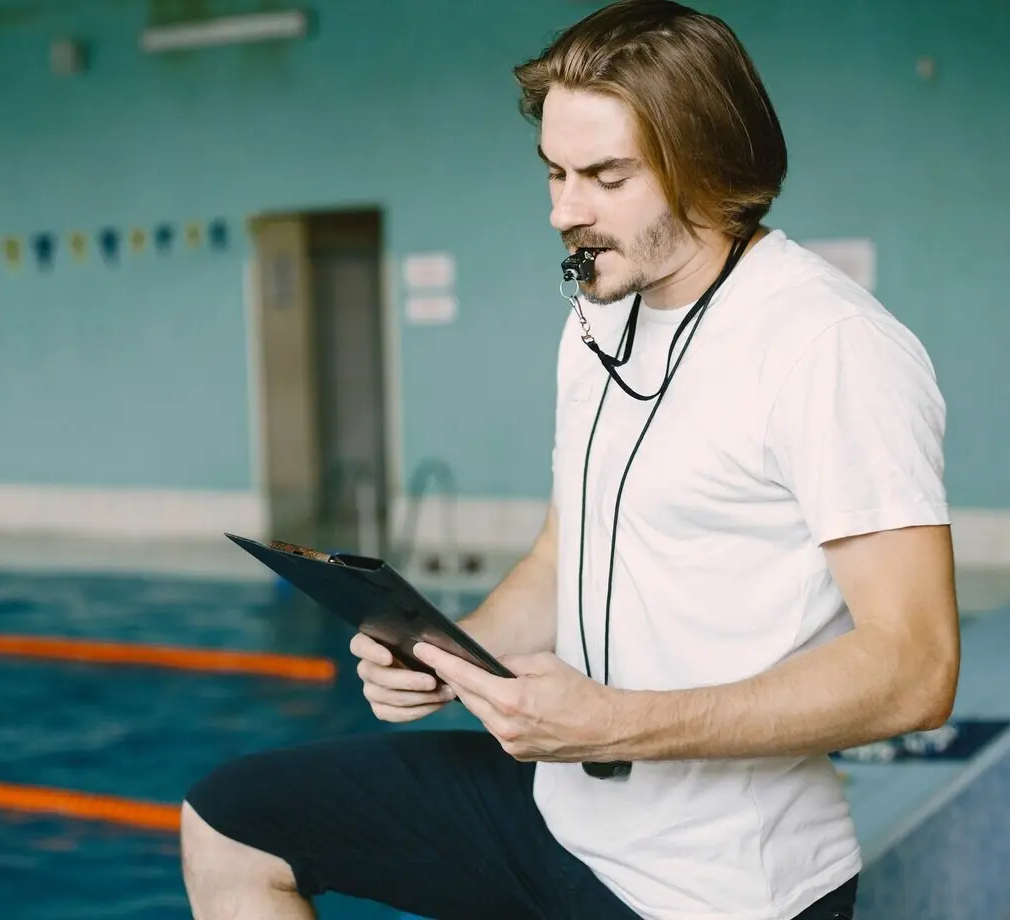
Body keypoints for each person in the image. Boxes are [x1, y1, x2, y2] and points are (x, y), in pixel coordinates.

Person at [179, 1, 961, 918]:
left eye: (604, 175)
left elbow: (915, 669)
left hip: (720, 888)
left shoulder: (828, 346)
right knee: (233, 821)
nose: (564, 210)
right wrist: (441, 651)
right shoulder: (599, 316)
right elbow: (566, 553)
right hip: (563, 813)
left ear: (705, 163)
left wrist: (614, 721)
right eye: (554, 171)